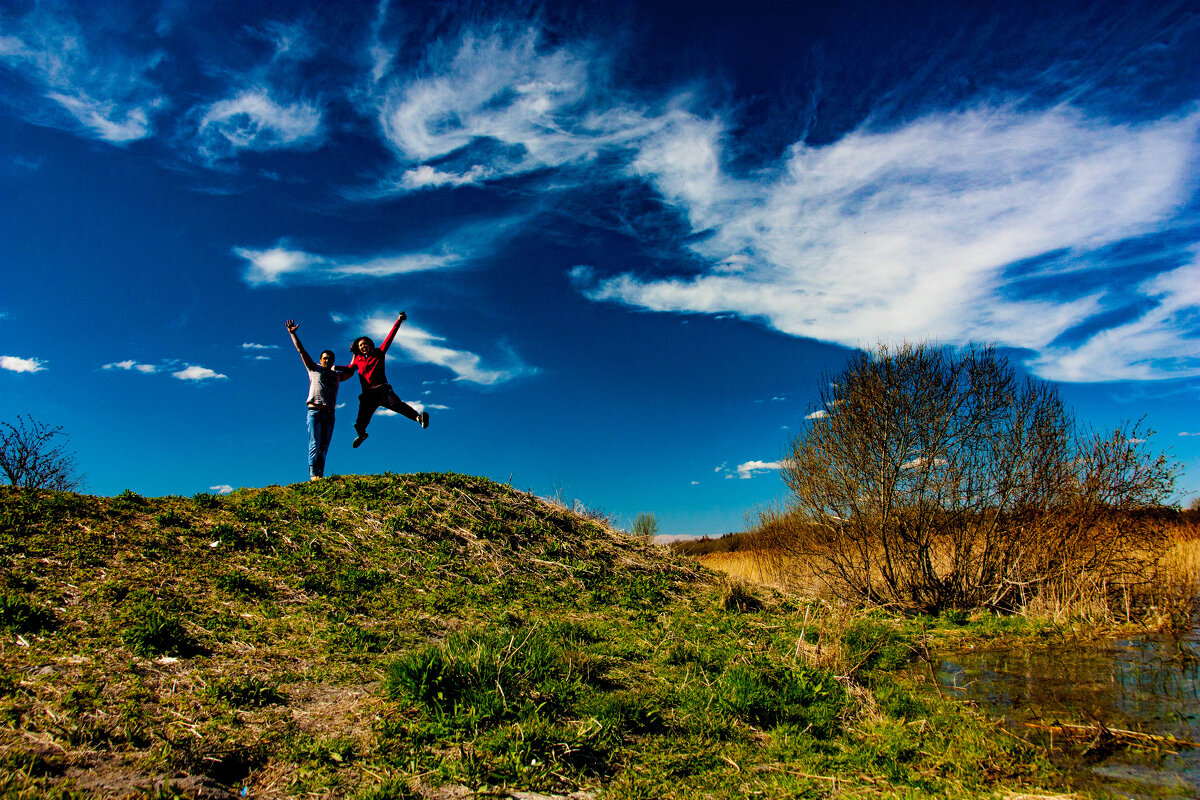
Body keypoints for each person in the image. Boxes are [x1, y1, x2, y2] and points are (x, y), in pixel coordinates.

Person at [286, 319, 356, 480]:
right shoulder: (313, 369)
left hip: (330, 414)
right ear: (320, 359)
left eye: (330, 358)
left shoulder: (337, 375)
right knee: (315, 444)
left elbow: (351, 371)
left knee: (324, 447)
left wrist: (354, 354)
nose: (327, 360)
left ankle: (320, 475)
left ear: (333, 361)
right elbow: (301, 351)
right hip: (315, 411)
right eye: (324, 358)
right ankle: (313, 475)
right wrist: (293, 333)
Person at [349, 310, 429, 448]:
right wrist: (331, 367)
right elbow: (348, 369)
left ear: (370, 344)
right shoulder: (358, 360)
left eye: (365, 344)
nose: (363, 346)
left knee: (398, 405)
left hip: (382, 390)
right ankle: (362, 435)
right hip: (368, 395)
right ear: (358, 348)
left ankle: (419, 418)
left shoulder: (379, 353)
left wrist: (399, 321)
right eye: (361, 345)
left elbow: (390, 337)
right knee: (360, 421)